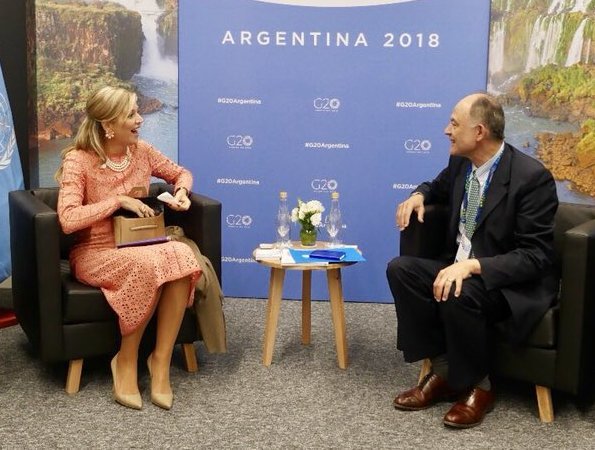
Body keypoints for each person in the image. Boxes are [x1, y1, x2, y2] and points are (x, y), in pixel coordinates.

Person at [386, 92, 559, 428]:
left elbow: (535, 257)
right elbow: (434, 186)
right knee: (401, 270)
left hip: (506, 283)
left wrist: (472, 266)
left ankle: (479, 386)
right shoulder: (461, 164)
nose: (446, 130)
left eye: (454, 124)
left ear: (479, 132)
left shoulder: (530, 178)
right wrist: (418, 195)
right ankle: (444, 370)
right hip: (459, 268)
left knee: (460, 288)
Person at [56, 86, 202, 411]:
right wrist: (117, 201)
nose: (140, 119)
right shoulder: (78, 160)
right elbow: (67, 219)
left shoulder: (142, 152)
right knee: (148, 264)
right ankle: (126, 359)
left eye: (138, 112)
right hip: (96, 253)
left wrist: (182, 192)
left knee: (181, 254)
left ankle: (160, 361)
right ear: (109, 124)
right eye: (132, 114)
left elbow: (181, 173)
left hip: (142, 243)